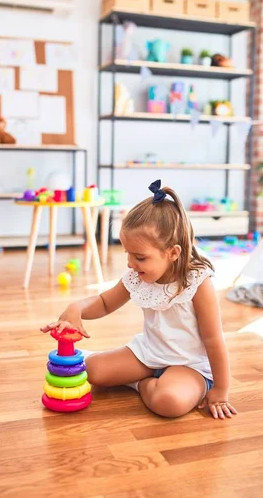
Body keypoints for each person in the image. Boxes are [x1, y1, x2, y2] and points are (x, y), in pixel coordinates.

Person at [41, 180, 237, 420]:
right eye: (127, 254)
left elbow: (214, 340)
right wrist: (76, 308)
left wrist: (221, 390)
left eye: (140, 257)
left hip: (189, 365)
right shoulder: (137, 276)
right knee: (92, 372)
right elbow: (104, 302)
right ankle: (148, 378)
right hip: (149, 353)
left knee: (169, 403)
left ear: (173, 253)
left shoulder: (197, 282)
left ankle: (142, 383)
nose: (131, 264)